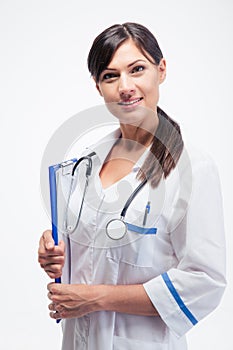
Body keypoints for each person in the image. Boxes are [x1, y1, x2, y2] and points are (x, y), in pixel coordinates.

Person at [38, 22, 226, 350]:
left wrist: (96, 299)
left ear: (161, 70)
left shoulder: (192, 168)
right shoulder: (84, 164)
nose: (125, 86)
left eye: (137, 69)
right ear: (98, 87)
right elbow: (86, 259)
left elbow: (204, 282)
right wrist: (55, 253)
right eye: (110, 76)